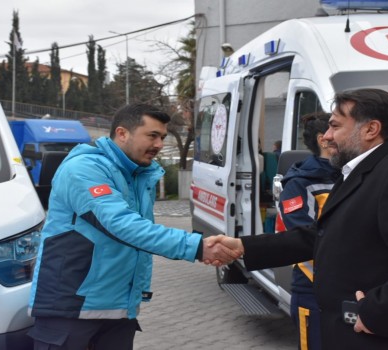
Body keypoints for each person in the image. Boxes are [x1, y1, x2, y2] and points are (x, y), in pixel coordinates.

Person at [208, 89, 388, 350]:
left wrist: (378, 314)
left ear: (371, 129)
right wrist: (244, 247)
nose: (326, 137)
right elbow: (322, 234)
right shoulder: (364, 170)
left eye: (335, 126)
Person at [27, 103, 239, 350]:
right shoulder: (84, 168)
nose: (159, 144)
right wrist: (197, 247)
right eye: (152, 136)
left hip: (117, 309)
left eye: (162, 137)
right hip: (70, 309)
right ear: (122, 133)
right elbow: (122, 225)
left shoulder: (138, 174)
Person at [277, 113, 339, 350]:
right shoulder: (300, 183)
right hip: (313, 289)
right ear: (324, 139)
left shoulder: (350, 176)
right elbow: (302, 237)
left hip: (349, 289)